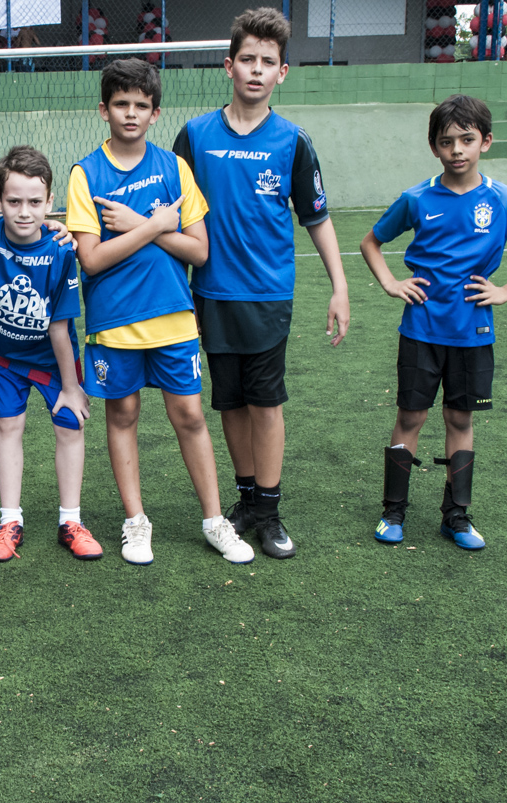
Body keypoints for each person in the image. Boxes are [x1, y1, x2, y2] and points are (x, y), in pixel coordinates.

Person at [172, 8, 350, 560]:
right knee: (229, 403)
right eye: (247, 59)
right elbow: (169, 213)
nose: (256, 70)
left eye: (267, 62)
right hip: (210, 294)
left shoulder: (294, 142)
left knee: (266, 402)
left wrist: (339, 287)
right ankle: (246, 499)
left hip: (269, 295)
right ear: (229, 66)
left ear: (282, 73)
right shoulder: (195, 136)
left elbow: (316, 217)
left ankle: (269, 511)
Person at [66, 58, 252, 566]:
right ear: (103, 110)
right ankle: (135, 522)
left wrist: (141, 225)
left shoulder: (174, 168)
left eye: (141, 106)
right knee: (122, 413)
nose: (131, 113)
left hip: (173, 318)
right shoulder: (86, 173)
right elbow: (92, 259)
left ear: (156, 113)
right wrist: (149, 227)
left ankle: (215, 521)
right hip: (114, 322)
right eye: (121, 104)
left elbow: (199, 251)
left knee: (190, 415)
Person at [361, 94, 507, 550]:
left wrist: (506, 290)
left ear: (485, 142)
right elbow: (371, 242)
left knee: (459, 416)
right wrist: (392, 283)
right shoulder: (415, 198)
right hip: (420, 329)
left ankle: (457, 516)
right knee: (410, 415)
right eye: (446, 141)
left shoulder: (505, 201)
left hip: (473, 332)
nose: (457, 150)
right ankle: (393, 513)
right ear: (434, 147)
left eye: (467, 140)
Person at [0, 146, 97, 563]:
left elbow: (60, 327)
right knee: (9, 428)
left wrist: (71, 386)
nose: (24, 212)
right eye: (13, 201)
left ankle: (71, 520)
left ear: (50, 202)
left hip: (52, 360)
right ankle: (10, 521)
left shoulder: (63, 251)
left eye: (34, 202)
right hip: (3, 359)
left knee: (69, 426)